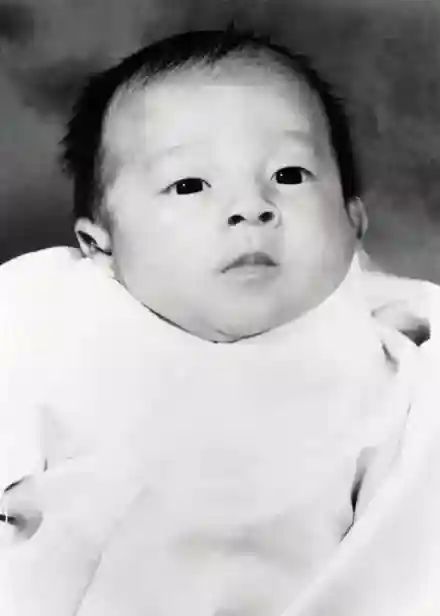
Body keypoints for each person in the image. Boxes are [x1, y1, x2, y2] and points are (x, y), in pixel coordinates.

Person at [0, 28, 439, 616]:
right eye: (189, 185)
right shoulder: (52, 310)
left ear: (352, 222)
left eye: (289, 175)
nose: (251, 207)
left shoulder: (393, 367)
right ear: (101, 247)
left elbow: (411, 550)